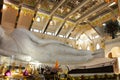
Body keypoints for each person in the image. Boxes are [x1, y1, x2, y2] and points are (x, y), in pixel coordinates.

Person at [0, 26, 93, 64]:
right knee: (78, 59)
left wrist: (58, 42)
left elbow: (40, 41)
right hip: (45, 58)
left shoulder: (18, 31)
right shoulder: (3, 49)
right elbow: (24, 57)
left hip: (48, 48)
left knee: (74, 51)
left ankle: (93, 53)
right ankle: (90, 56)